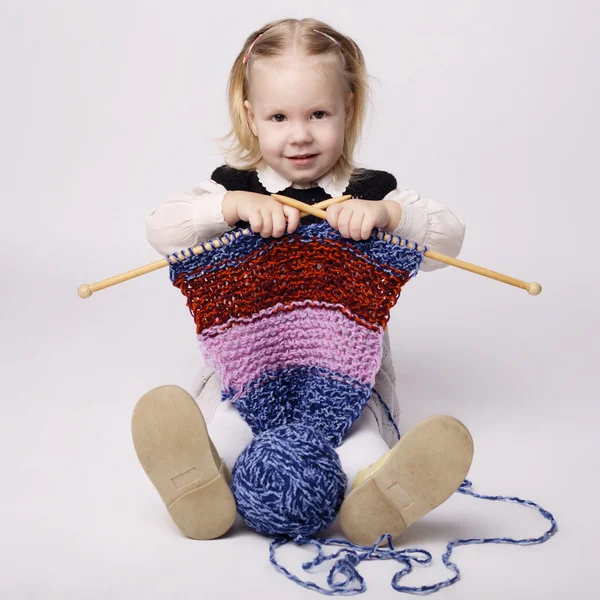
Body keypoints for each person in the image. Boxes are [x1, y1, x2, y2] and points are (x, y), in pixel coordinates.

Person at [133, 17, 474, 546]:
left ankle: (376, 495)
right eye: (279, 116)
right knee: (226, 427)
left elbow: (448, 241)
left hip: (347, 378)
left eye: (319, 114)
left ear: (348, 110)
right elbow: (161, 226)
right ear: (251, 117)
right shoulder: (235, 186)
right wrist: (227, 208)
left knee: (358, 439)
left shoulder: (370, 192)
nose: (300, 134)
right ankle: (202, 484)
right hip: (246, 372)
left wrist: (388, 215)